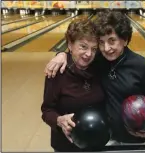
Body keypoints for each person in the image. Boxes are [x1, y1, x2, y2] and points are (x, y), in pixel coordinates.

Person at [44, 10, 145, 145]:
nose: (106, 48)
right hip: (107, 137)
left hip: (136, 137)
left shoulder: (142, 65)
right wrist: (61, 54)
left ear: (125, 40)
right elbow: (78, 54)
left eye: (112, 41)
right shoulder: (98, 60)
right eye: (101, 42)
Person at [41, 19, 106, 152]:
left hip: (98, 142)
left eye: (94, 49)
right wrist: (59, 120)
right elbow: (47, 110)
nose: (89, 54)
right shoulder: (57, 72)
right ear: (70, 45)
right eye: (83, 46)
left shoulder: (99, 65)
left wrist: (61, 53)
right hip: (66, 145)